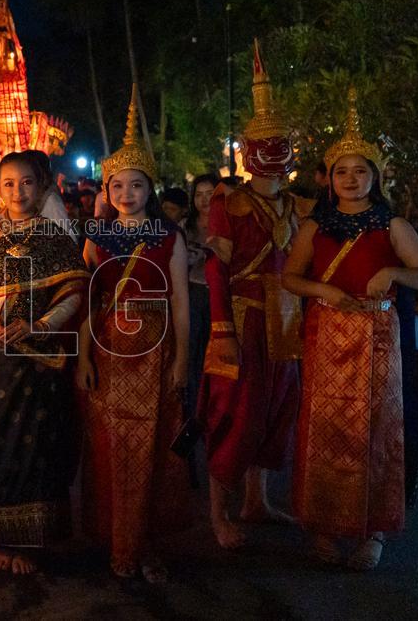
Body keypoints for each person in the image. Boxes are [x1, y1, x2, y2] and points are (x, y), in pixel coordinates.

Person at [282, 91, 418, 570]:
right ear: (330, 179)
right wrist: (324, 292)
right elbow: (290, 277)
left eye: (360, 171)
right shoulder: (316, 225)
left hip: (378, 337)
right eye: (341, 172)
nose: (350, 179)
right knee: (325, 429)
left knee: (376, 430)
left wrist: (392, 272)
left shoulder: (391, 224)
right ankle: (324, 526)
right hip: (326, 334)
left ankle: (374, 532)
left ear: (375, 176)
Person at [199, 40, 315, 549]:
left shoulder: (299, 206)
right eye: (263, 145)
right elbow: (215, 267)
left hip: (285, 319)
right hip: (242, 317)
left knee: (277, 410)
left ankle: (257, 500)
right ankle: (218, 513)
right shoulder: (229, 201)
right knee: (236, 412)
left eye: (279, 144)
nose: (272, 153)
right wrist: (221, 328)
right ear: (247, 152)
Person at [76, 87, 192, 581]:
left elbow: (181, 302)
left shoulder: (169, 237)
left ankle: (144, 545)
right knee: (111, 449)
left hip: (156, 350)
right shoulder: (96, 237)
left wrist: (182, 359)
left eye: (137, 186)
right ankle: (117, 540)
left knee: (153, 449)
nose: (127, 194)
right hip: (107, 350)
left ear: (151, 190)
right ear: (107, 189)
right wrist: (83, 358)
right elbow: (88, 302)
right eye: (118, 185)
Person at [0, 151, 89, 576]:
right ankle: (3, 537)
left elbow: (73, 292)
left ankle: (32, 540)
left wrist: (42, 324)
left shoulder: (55, 235)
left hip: (41, 357)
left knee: (40, 442)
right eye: (9, 183)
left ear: (43, 186)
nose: (18, 191)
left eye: (27, 182)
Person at [184, 174, 220, 419]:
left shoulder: (229, 223)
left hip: (219, 293)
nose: (204, 200)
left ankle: (214, 407)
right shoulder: (186, 226)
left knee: (215, 353)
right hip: (193, 293)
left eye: (210, 194)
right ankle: (192, 410)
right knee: (193, 352)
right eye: (199, 195)